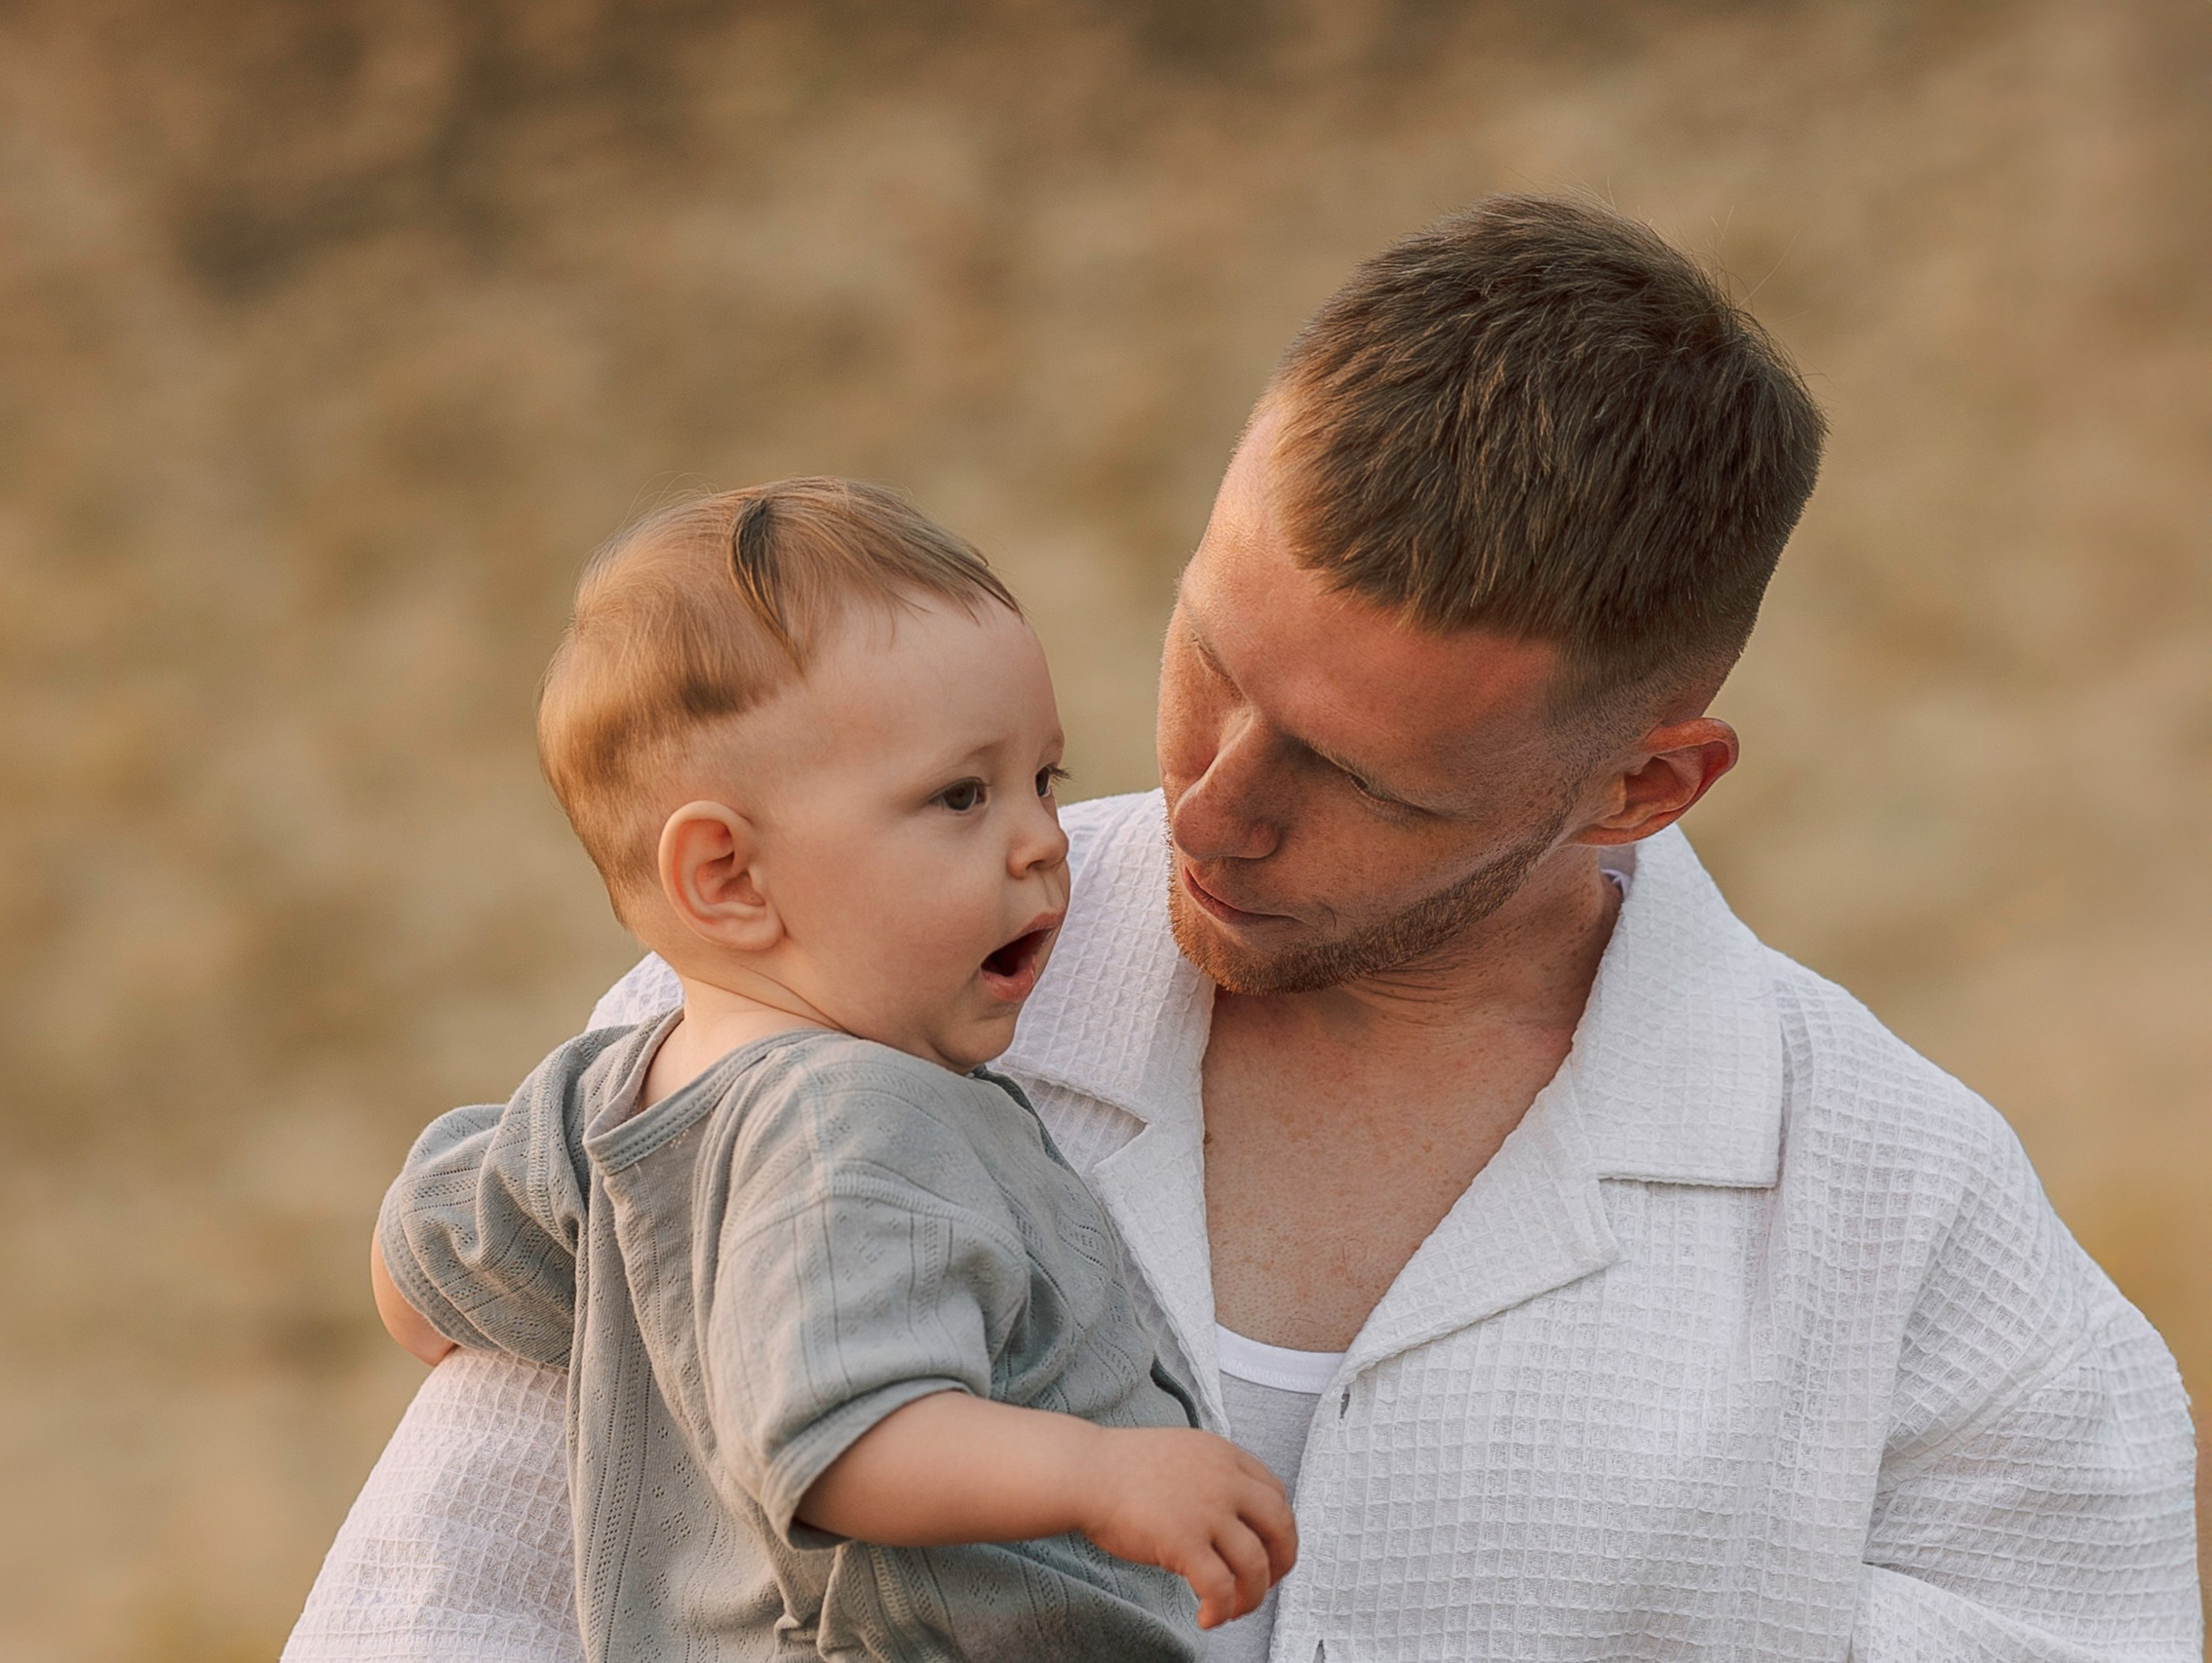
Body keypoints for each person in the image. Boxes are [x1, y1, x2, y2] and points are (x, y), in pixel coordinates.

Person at [288, 196, 2199, 1663]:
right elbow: (438, 1605)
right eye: (1207, 654)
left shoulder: (1904, 1209)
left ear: (1640, 785)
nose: (1204, 807)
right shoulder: (806, 993)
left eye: (1364, 776)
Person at [365, 478, 1299, 1663]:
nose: (1040, 838)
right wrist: (1101, 1470)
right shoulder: (855, 1115)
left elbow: (417, 1278)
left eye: (1042, 780)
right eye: (960, 794)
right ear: (728, 876)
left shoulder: (598, 1103)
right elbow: (849, 1433)